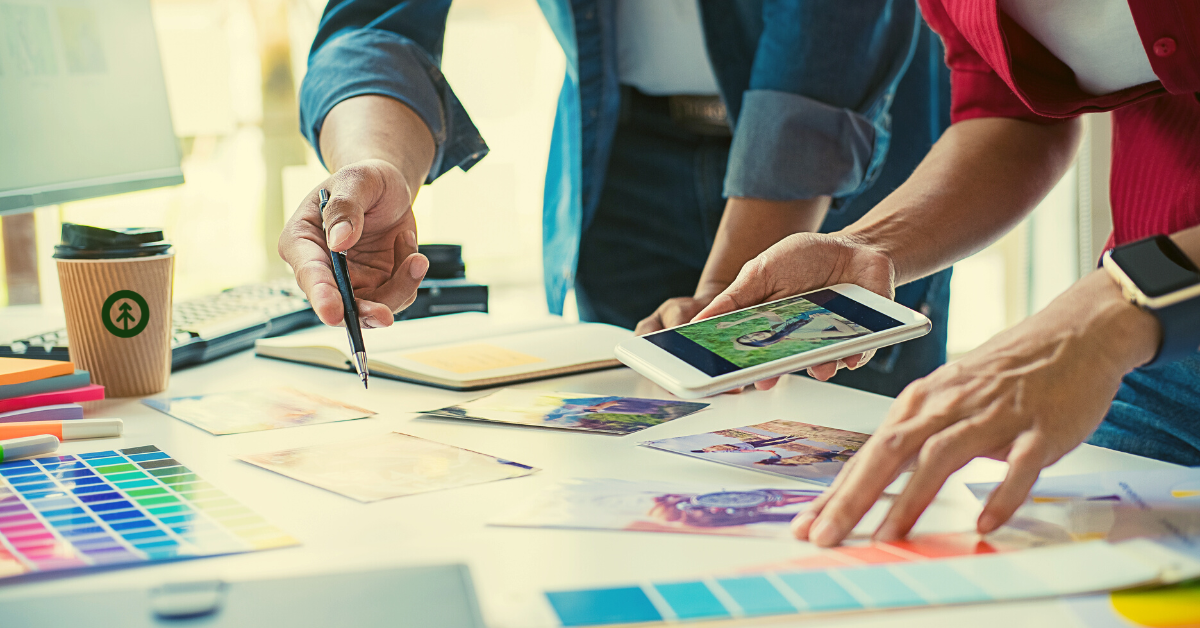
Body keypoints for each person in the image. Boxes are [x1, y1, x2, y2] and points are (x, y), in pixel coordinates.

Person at [690, 0, 1200, 546]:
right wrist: (866, 247)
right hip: (1160, 357)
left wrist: (1111, 313)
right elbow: (1010, 115)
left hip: (1136, 319)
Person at [278, 0, 956, 399]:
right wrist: (374, 165)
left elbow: (829, 36)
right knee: (629, 488)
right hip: (620, 150)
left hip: (847, 164)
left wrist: (723, 291)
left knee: (841, 486)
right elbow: (375, 22)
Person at [715, 308, 869, 350]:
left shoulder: (777, 327)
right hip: (851, 313)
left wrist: (732, 323)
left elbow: (767, 313)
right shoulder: (798, 334)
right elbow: (849, 332)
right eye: (755, 340)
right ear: (764, 342)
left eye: (748, 336)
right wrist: (828, 319)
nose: (756, 335)